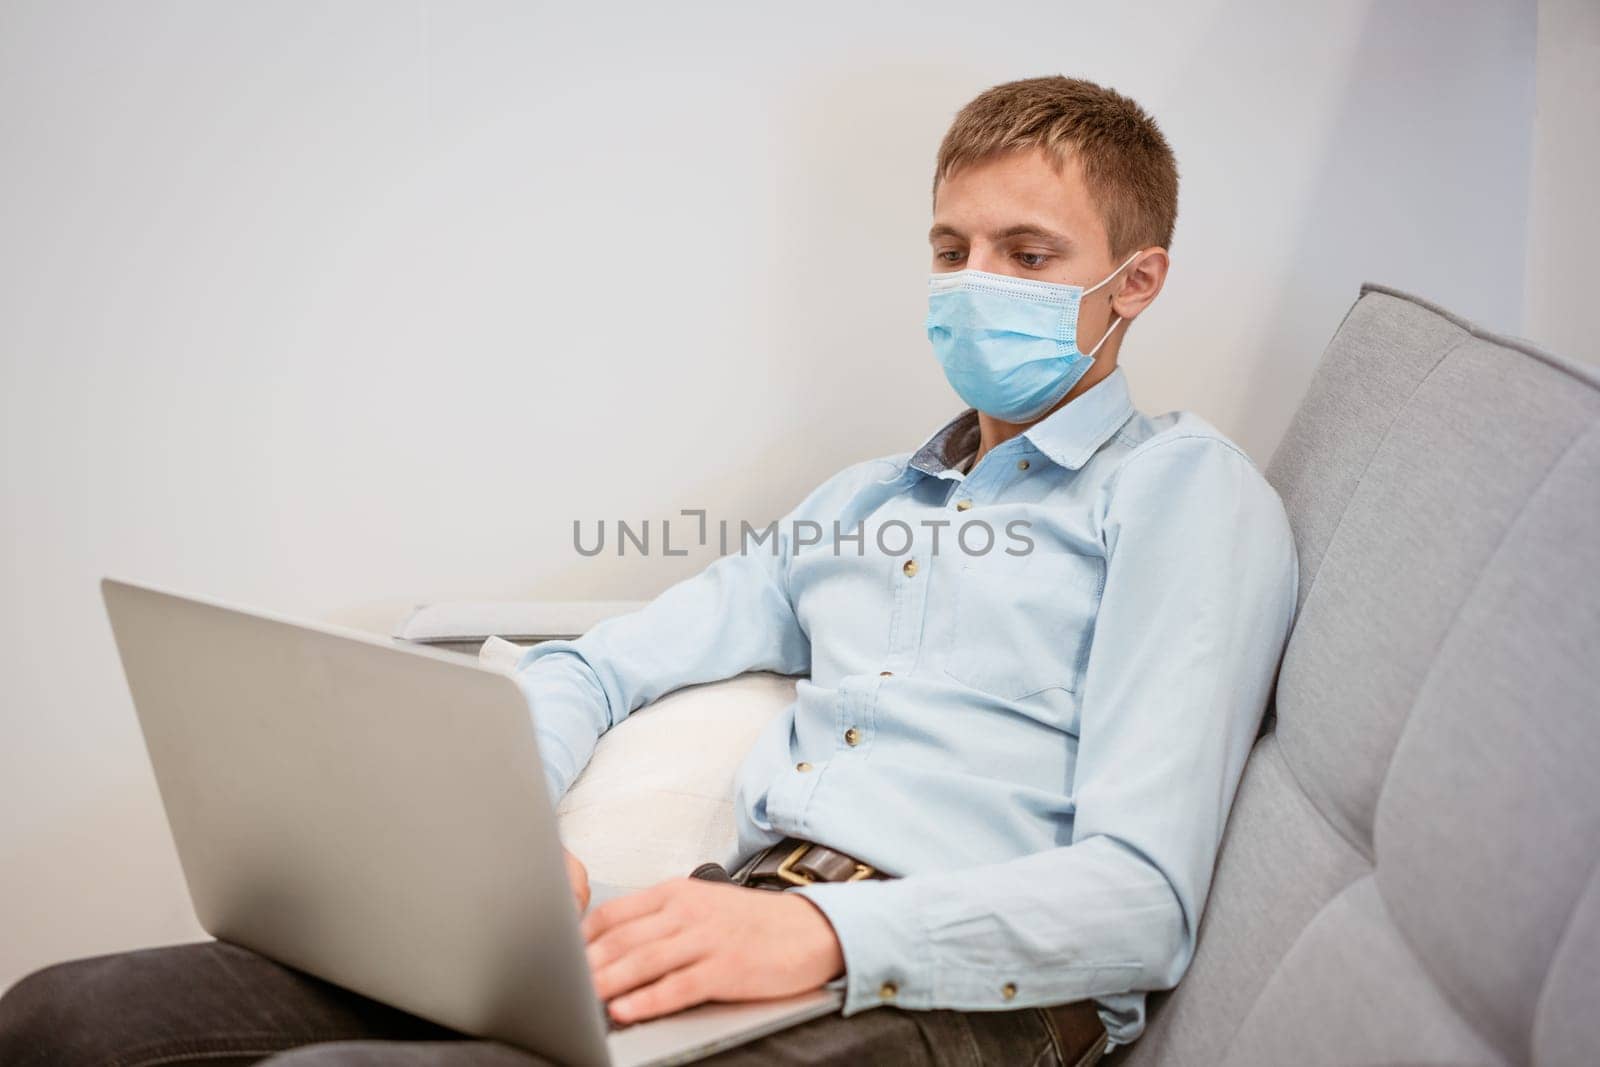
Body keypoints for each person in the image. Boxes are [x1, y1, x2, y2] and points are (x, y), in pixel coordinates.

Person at [0, 75, 1297, 1067]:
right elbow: (598, 663)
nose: (973, 286)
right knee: (67, 1018)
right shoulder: (860, 502)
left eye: (1027, 255)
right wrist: (514, 825)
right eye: (950, 250)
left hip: (960, 997)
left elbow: (1140, 902)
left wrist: (825, 935)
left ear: (1136, 284)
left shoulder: (1187, 495)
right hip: (723, 919)